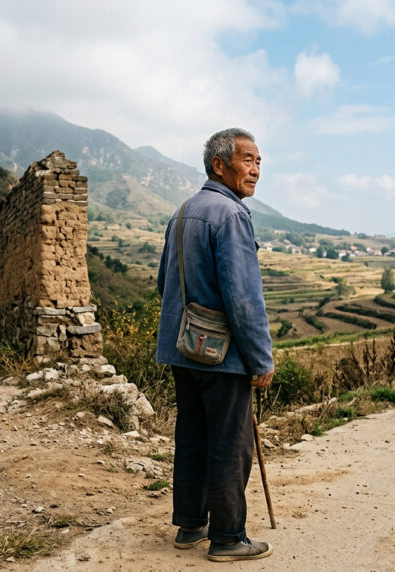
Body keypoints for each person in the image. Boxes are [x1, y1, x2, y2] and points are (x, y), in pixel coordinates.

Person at [156, 128, 275, 562]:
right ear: (219, 165)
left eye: (259, 161)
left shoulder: (183, 211)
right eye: (247, 159)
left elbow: (163, 283)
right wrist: (260, 359)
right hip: (221, 354)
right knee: (230, 443)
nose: (256, 169)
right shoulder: (231, 215)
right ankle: (227, 537)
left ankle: (191, 526)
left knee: (192, 437)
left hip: (181, 346)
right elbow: (243, 298)